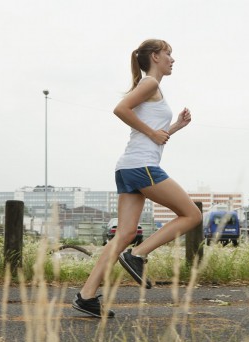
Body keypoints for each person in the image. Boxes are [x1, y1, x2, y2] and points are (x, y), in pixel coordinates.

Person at [71, 39, 202, 318]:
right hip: (141, 167)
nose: (172, 59)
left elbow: (152, 135)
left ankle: (86, 296)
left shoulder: (152, 87)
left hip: (130, 166)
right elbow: (121, 109)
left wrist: (174, 127)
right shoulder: (150, 84)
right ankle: (138, 255)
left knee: (125, 233)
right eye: (168, 53)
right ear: (155, 56)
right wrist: (154, 133)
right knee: (192, 215)